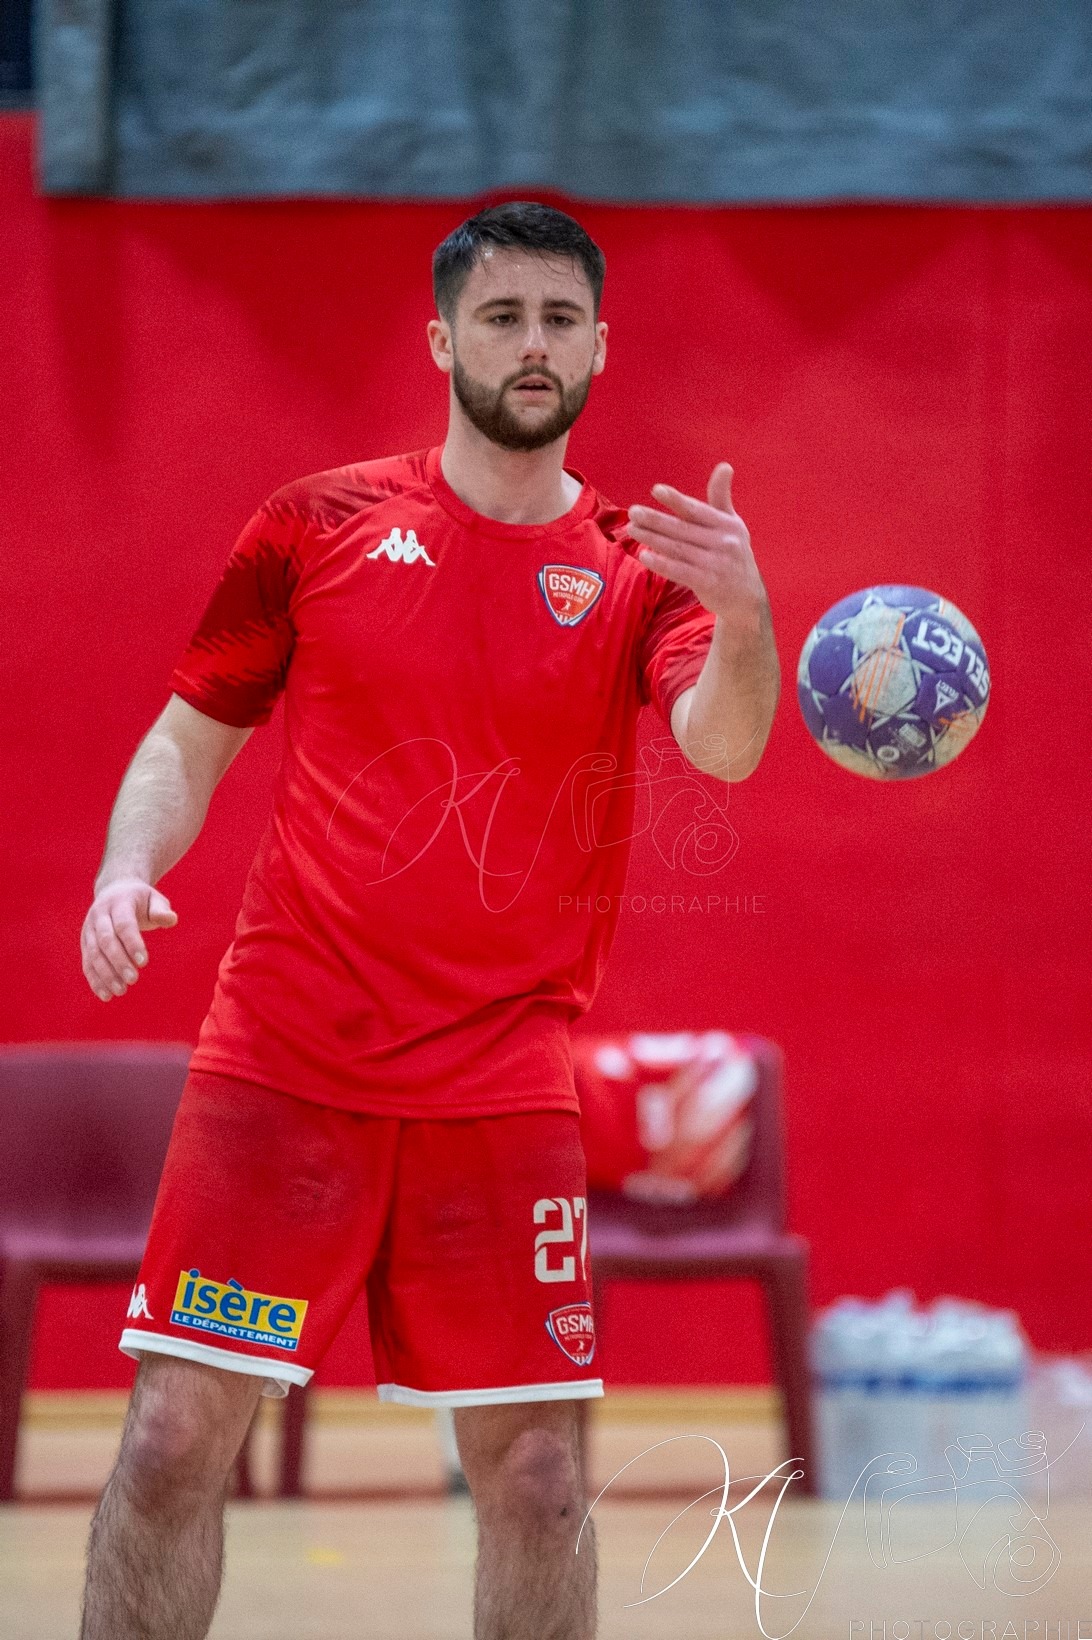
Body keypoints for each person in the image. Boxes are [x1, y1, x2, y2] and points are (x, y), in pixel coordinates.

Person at [77, 200, 780, 1640]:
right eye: (503, 317)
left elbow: (722, 742)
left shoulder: (641, 568)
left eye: (560, 319)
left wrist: (749, 615)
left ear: (600, 346)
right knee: (167, 1445)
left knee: (537, 1478)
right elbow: (187, 743)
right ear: (443, 340)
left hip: (500, 1081)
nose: (533, 345)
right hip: (284, 1062)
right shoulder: (313, 525)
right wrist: (123, 871)